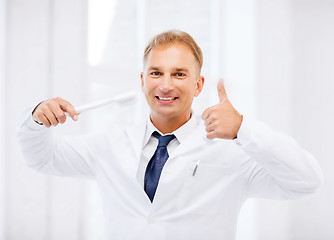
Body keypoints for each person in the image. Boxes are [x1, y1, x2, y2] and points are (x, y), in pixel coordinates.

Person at [17, 30, 323, 240]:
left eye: (179, 74)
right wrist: (37, 118)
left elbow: (306, 181)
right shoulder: (109, 144)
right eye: (156, 73)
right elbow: (42, 158)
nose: (165, 85)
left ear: (198, 85)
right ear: (142, 80)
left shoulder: (232, 152)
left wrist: (243, 127)